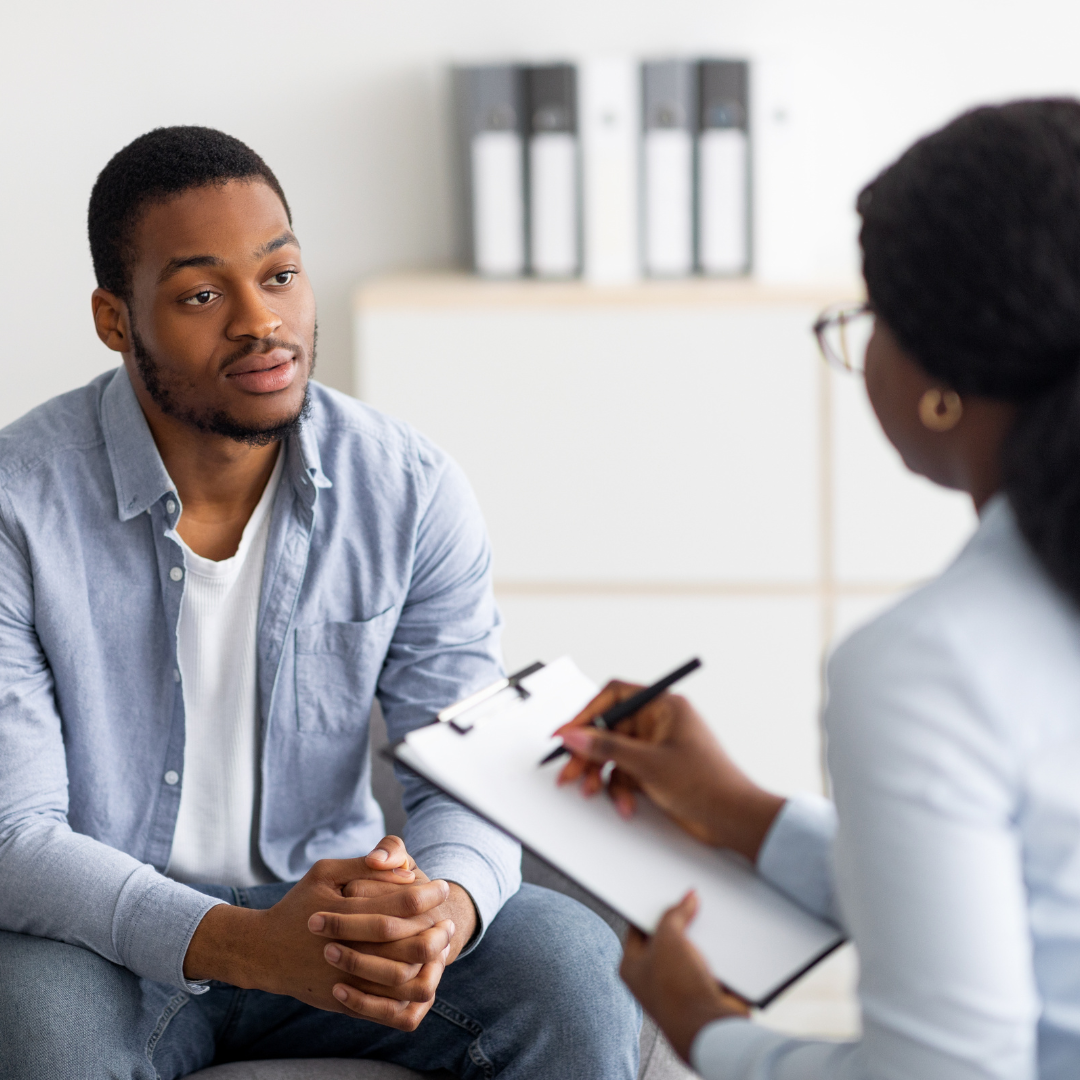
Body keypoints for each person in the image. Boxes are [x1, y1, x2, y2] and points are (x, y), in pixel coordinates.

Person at [0, 126, 639, 1079]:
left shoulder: (410, 488)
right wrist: (243, 942)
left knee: (574, 966)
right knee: (41, 1031)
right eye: (202, 294)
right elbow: (16, 836)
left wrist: (443, 911)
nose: (262, 322)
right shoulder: (20, 503)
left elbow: (470, 775)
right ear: (114, 318)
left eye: (282, 275)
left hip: (340, 917)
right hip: (105, 936)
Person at [558, 98, 1080, 1079]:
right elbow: (1026, 908)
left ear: (942, 383)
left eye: (871, 314)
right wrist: (740, 810)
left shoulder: (930, 665)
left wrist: (703, 1026)